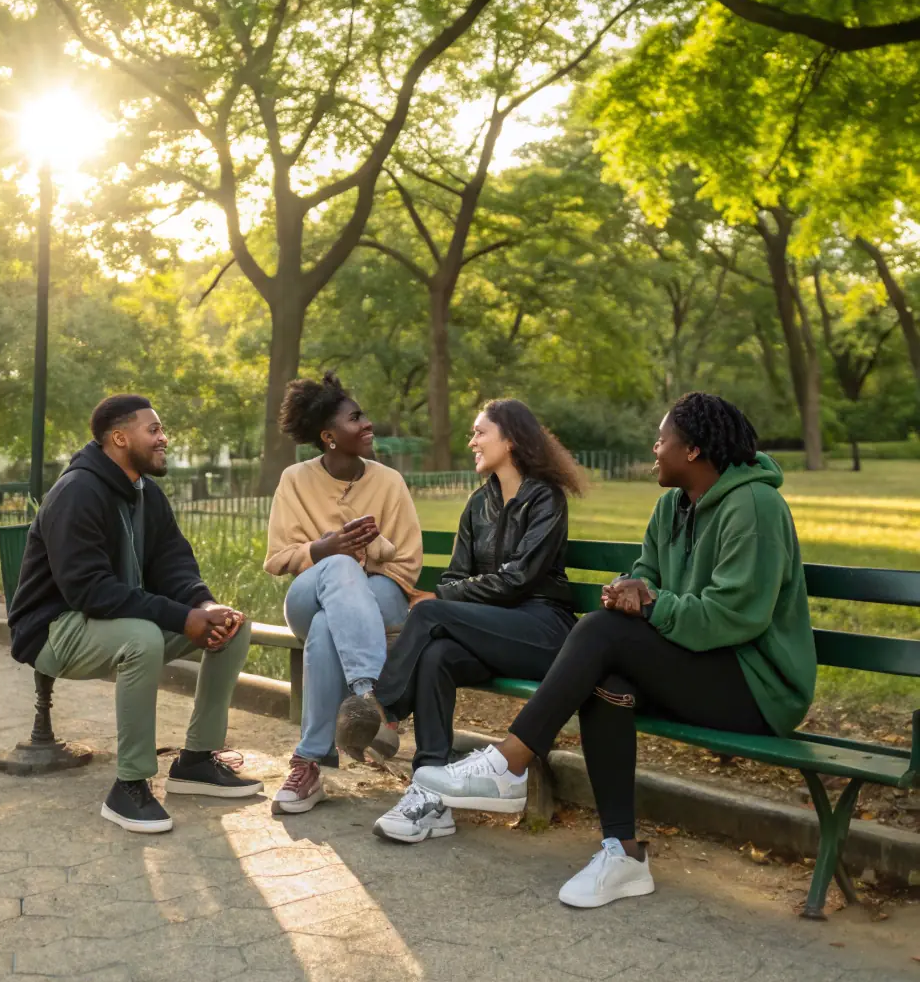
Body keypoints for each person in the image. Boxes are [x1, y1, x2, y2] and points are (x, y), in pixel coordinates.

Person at [414, 392, 817, 907]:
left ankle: (509, 762)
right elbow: (649, 572)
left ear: (692, 450)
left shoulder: (755, 507)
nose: (655, 447)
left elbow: (734, 615)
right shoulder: (673, 505)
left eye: (663, 439)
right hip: (702, 668)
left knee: (602, 635)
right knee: (607, 680)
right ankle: (622, 853)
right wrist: (630, 589)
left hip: (757, 687)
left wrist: (648, 606)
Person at [8, 395, 261, 834]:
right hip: (55, 628)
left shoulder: (147, 493)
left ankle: (197, 761)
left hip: (114, 619)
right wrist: (179, 618)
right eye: (154, 430)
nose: (164, 438)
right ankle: (129, 786)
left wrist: (202, 606)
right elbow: (89, 591)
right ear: (120, 438)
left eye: (163, 430)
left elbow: (174, 564)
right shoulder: (77, 492)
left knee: (233, 628)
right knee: (142, 637)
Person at [372, 398, 585, 844]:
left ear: (510, 439)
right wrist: (451, 595)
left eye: (479, 432)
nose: (471, 441)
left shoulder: (546, 497)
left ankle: (383, 712)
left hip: (543, 632)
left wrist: (446, 598)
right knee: (438, 656)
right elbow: (455, 575)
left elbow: (521, 578)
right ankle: (430, 795)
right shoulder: (478, 503)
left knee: (429, 610)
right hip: (492, 628)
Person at [263, 371, 423, 816]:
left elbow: (406, 565)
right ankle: (371, 699)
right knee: (335, 569)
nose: (367, 424)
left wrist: (368, 550)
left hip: (382, 596)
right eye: (356, 418)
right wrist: (326, 549)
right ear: (329, 437)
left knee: (326, 626)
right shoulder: (295, 479)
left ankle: (308, 760)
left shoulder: (389, 482)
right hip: (308, 593)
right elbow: (279, 557)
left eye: (364, 415)